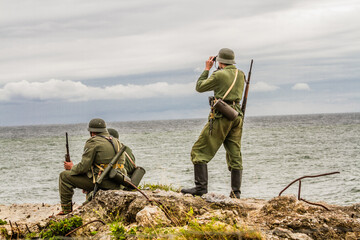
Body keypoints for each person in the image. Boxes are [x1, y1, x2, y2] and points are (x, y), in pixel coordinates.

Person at [181, 48, 245, 198]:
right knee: (235, 153)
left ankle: (200, 188)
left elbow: (200, 87)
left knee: (199, 151)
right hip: (237, 116)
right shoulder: (240, 74)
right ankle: (236, 192)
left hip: (222, 116)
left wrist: (207, 69)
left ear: (219, 61)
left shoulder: (219, 75)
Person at [58, 118, 127, 215]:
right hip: (118, 181)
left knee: (64, 176)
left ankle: (66, 210)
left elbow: (83, 167)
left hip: (103, 182)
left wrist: (71, 167)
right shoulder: (117, 142)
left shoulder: (93, 142)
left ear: (92, 132)